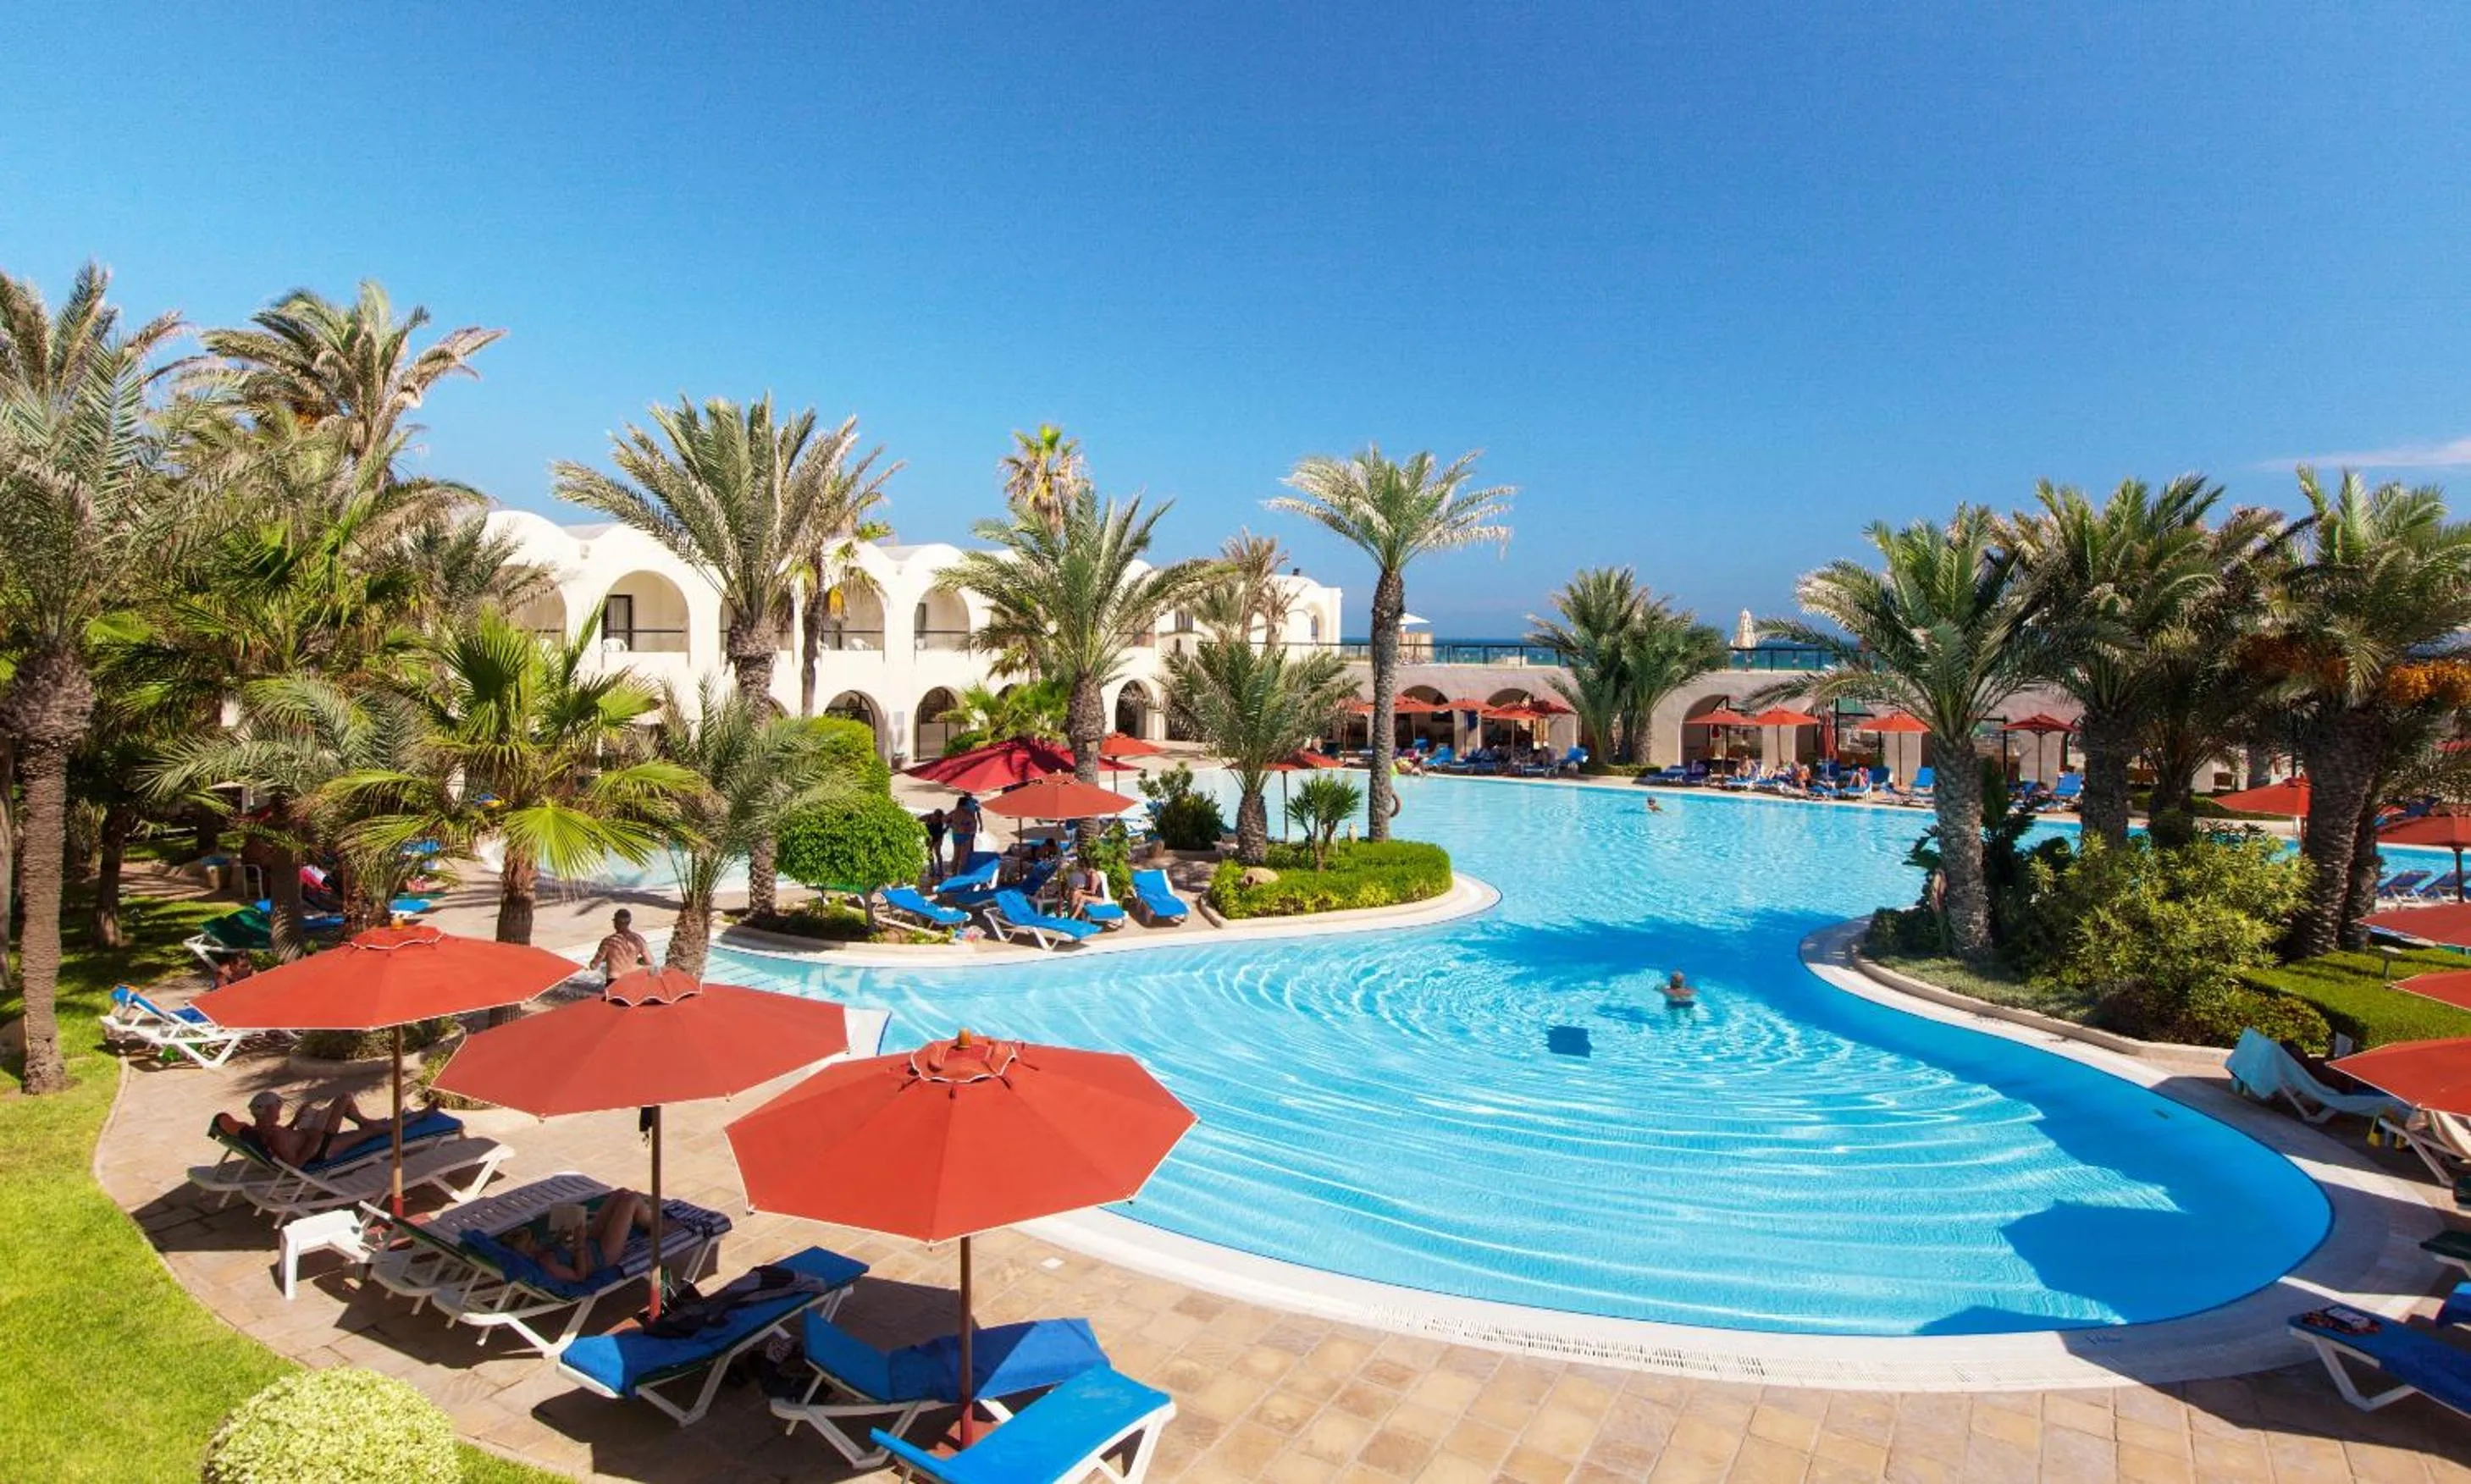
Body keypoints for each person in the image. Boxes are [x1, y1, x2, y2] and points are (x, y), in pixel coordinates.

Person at [501, 1190, 654, 1283]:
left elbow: (560, 1251)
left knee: (620, 1194)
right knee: (631, 1200)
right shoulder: (547, 1264)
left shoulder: (540, 1251)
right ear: (526, 1254)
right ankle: (654, 1226)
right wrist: (579, 1244)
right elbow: (579, 1276)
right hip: (602, 1255)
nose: (536, 1243)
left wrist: (561, 1238)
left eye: (533, 1239)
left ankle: (645, 1217)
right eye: (530, 1244)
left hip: (590, 1242)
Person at [213, 1089, 395, 1166]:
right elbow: (296, 1163)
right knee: (368, 1130)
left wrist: (296, 1121)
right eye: (278, 1107)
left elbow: (286, 1139)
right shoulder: (273, 1134)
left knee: (344, 1100)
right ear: (269, 1109)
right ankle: (404, 1124)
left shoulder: (263, 1129)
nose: (279, 1110)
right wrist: (314, 1137)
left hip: (317, 1138)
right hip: (322, 1147)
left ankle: (366, 1122)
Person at [589, 909, 652, 983]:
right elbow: (650, 962)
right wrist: (635, 962)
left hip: (614, 981)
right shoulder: (639, 939)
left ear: (615, 923)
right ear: (629, 922)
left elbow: (593, 966)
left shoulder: (608, 942)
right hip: (632, 980)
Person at [950, 794, 981, 872]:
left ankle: (953, 874)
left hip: (956, 834)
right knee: (963, 857)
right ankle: (961, 874)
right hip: (965, 835)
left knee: (956, 856)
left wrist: (953, 826)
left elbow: (944, 819)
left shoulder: (954, 812)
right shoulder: (967, 813)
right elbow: (973, 822)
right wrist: (968, 828)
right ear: (965, 804)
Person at [922, 808, 948, 880]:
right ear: (934, 815)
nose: (936, 820)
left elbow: (950, 822)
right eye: (936, 818)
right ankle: (932, 868)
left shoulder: (943, 819)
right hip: (929, 836)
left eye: (938, 819)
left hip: (938, 836)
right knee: (929, 852)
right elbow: (916, 820)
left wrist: (945, 830)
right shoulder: (928, 817)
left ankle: (941, 869)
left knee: (937, 852)